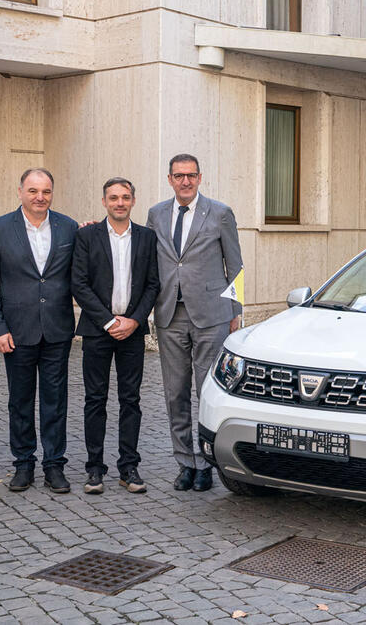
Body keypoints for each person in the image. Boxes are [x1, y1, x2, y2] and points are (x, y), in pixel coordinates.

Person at [146, 154, 242, 492]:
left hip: (212, 316)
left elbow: (236, 266)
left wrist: (236, 312)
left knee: (206, 392)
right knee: (175, 393)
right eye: (179, 176)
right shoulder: (156, 214)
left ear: (200, 178)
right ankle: (184, 462)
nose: (185, 181)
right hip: (169, 314)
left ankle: (205, 464)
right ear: (170, 179)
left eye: (191, 175)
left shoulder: (220, 213)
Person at [0, 168, 79, 494]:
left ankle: (54, 465)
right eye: (33, 191)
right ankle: (23, 464)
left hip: (57, 330)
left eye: (46, 191)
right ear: (20, 191)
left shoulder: (68, 227)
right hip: (16, 331)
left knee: (55, 401)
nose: (40, 197)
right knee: (20, 401)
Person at [71, 178, 160, 495]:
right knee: (95, 400)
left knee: (130, 400)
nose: (119, 202)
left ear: (133, 200)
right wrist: (109, 321)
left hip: (132, 331)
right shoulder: (87, 236)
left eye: (125, 197)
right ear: (104, 202)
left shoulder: (147, 237)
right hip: (98, 329)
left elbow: (153, 284)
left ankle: (129, 467)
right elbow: (79, 284)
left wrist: (134, 321)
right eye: (113, 197)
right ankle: (94, 469)